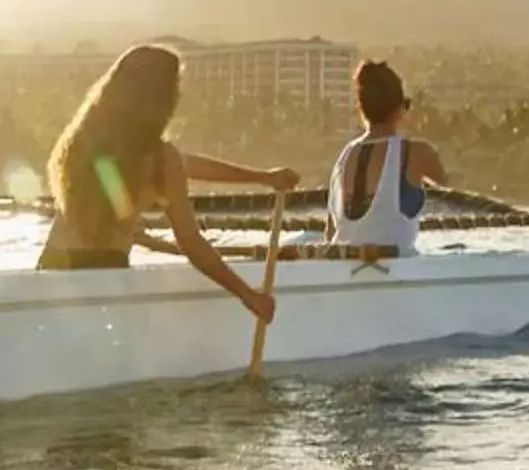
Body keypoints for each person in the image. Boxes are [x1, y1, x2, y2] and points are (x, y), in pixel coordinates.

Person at [37, 43, 297, 324]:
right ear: (160, 97)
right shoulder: (158, 159)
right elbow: (191, 242)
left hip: (52, 269)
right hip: (104, 275)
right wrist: (249, 296)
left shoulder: (82, 141)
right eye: (175, 89)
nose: (178, 96)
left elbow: (184, 166)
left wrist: (261, 177)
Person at [326, 58, 449, 257]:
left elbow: (330, 233)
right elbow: (451, 187)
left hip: (343, 270)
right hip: (397, 267)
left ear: (361, 109)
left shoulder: (344, 157)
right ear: (399, 109)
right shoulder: (418, 152)